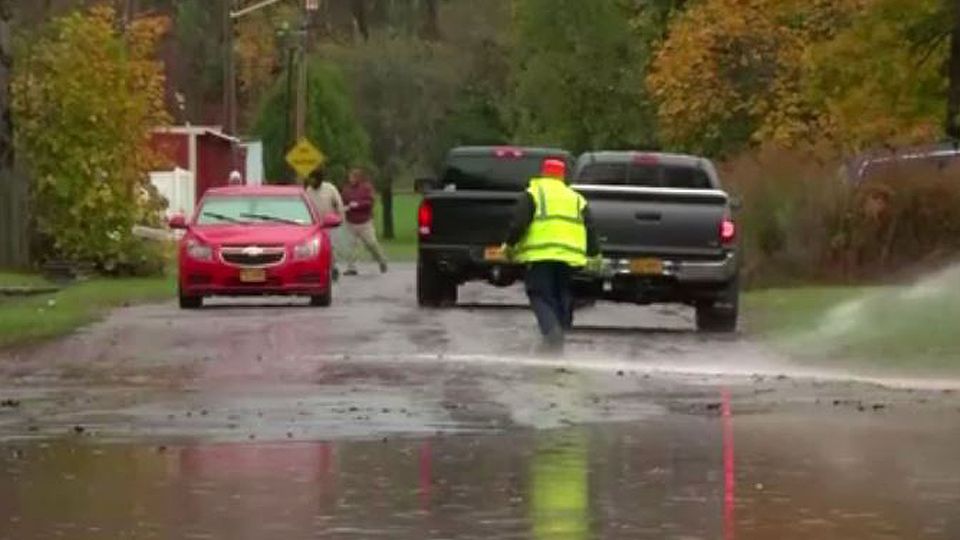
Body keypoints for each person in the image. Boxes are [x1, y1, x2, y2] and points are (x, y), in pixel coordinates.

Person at [503, 158, 599, 351]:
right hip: (568, 257)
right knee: (561, 293)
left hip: (540, 256)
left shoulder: (533, 194)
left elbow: (519, 223)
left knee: (540, 294)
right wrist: (594, 254)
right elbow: (590, 227)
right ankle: (560, 330)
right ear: (562, 176)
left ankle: (552, 331)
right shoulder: (576, 198)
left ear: (543, 173)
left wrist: (509, 246)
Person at [340, 168, 388, 275]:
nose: (351, 179)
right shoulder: (346, 189)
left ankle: (381, 261)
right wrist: (344, 207)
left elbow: (370, 202)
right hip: (350, 222)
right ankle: (351, 267)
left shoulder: (366, 188)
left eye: (353, 177)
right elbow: (342, 201)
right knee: (351, 245)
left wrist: (357, 204)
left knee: (371, 243)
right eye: (350, 177)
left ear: (358, 178)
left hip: (364, 222)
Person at [306, 169, 345, 279]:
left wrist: (340, 218)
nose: (312, 183)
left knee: (331, 247)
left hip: (329, 223)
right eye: (310, 180)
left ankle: (333, 267)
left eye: (314, 180)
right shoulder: (309, 190)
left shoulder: (330, 189)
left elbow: (338, 204)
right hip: (313, 224)